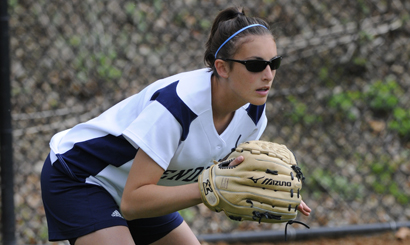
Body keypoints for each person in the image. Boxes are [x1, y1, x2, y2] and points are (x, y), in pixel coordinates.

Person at [40, 6, 311, 245]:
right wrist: (210, 188)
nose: (268, 75)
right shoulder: (178, 106)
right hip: (80, 176)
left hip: (142, 190)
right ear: (222, 67)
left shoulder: (253, 110)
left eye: (274, 63)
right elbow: (133, 203)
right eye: (255, 65)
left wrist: (271, 185)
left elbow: (234, 171)